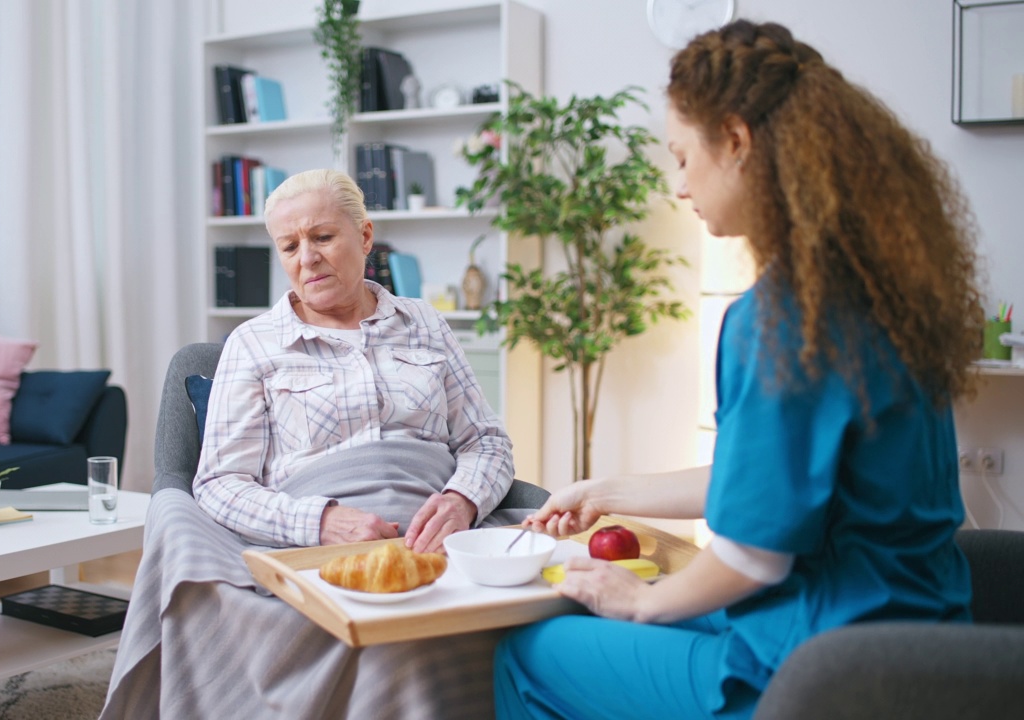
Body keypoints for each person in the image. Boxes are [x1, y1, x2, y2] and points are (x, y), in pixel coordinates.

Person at [493, 19, 984, 720]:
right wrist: (607, 490)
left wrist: (644, 601)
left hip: (819, 667)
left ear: (736, 141)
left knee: (531, 650)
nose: (680, 184)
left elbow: (757, 556)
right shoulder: (884, 294)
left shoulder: (781, 320)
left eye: (683, 156)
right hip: (919, 643)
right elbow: (775, 482)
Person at [100, 168, 525, 719]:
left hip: (435, 534)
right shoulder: (253, 344)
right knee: (393, 648)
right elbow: (220, 484)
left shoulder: (425, 324)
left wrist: (463, 500)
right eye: (290, 245)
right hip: (314, 545)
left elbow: (486, 440)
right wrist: (321, 522)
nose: (308, 258)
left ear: (365, 237)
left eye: (323, 237)